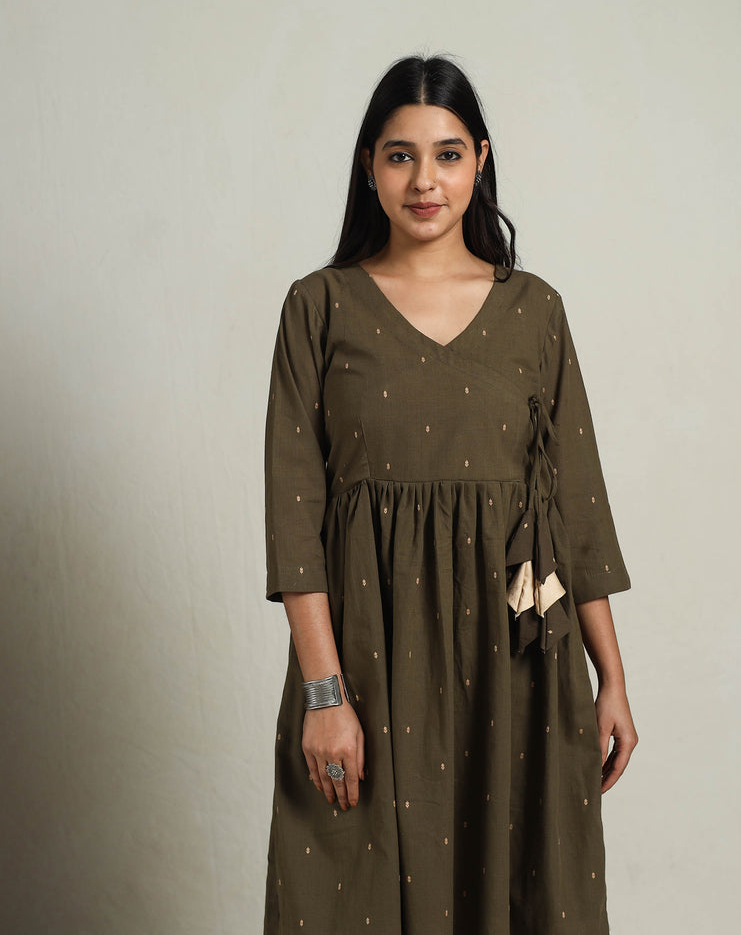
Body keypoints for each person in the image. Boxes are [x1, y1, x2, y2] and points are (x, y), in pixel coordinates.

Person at [262, 55, 637, 934]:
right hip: (369, 661)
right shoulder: (318, 308)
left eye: (448, 154)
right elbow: (294, 517)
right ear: (369, 166)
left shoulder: (535, 310)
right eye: (400, 156)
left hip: (520, 664)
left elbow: (577, 505)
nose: (424, 180)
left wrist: (612, 679)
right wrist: (324, 695)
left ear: (480, 162)